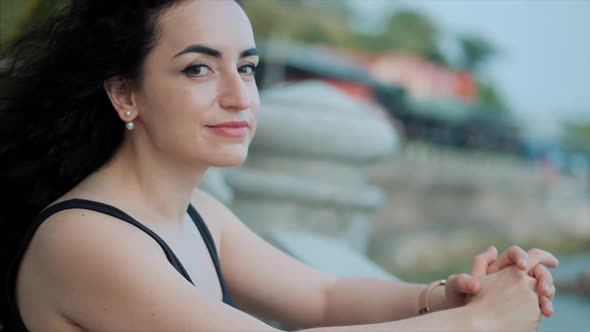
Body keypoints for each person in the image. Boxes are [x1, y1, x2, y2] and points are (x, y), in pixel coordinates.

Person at [0, 1, 558, 331]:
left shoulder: (196, 210)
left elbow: (323, 295)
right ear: (126, 94)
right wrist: (478, 323)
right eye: (198, 69)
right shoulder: (85, 240)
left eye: (246, 68)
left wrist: (444, 297)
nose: (239, 97)